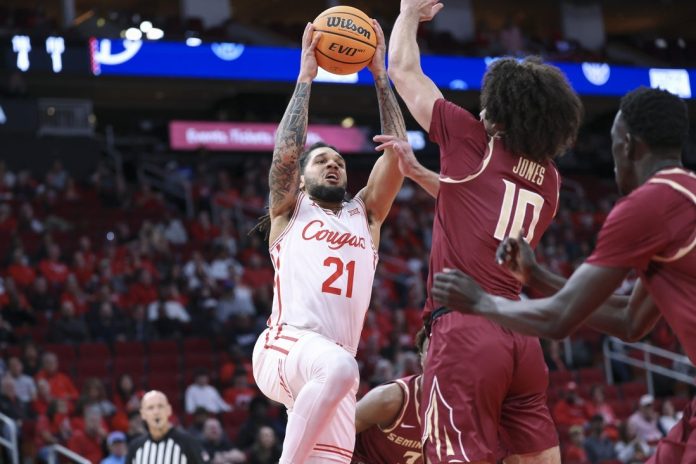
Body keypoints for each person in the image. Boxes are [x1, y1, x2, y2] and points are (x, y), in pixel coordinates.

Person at [430, 87, 694, 464]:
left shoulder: (649, 205)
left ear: (630, 146)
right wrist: (536, 276)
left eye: (613, 144)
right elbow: (629, 319)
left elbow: (559, 319)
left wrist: (481, 302)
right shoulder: (683, 197)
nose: (613, 163)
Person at [388, 0, 583, 462]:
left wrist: (409, 13)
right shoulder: (551, 180)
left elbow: (403, 71)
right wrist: (421, 174)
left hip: (466, 327)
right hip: (521, 332)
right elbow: (480, 203)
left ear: (499, 114)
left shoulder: (473, 139)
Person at [251, 18, 408, 464]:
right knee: (340, 367)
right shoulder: (290, 209)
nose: (333, 164)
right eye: (321, 160)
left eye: (339, 160)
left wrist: (380, 75)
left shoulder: (366, 215)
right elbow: (285, 152)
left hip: (335, 369)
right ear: (301, 179)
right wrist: (306, 77)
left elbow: (398, 154)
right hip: (286, 346)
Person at [352, 328, 428, 464]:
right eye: (433, 352)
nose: (440, 358)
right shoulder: (390, 399)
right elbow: (335, 430)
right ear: (422, 359)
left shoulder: (461, 414)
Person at [125, 391, 208, 464]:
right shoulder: (135, 447)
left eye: (160, 406)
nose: (156, 412)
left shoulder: (188, 443)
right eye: (150, 408)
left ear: (169, 410)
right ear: (143, 414)